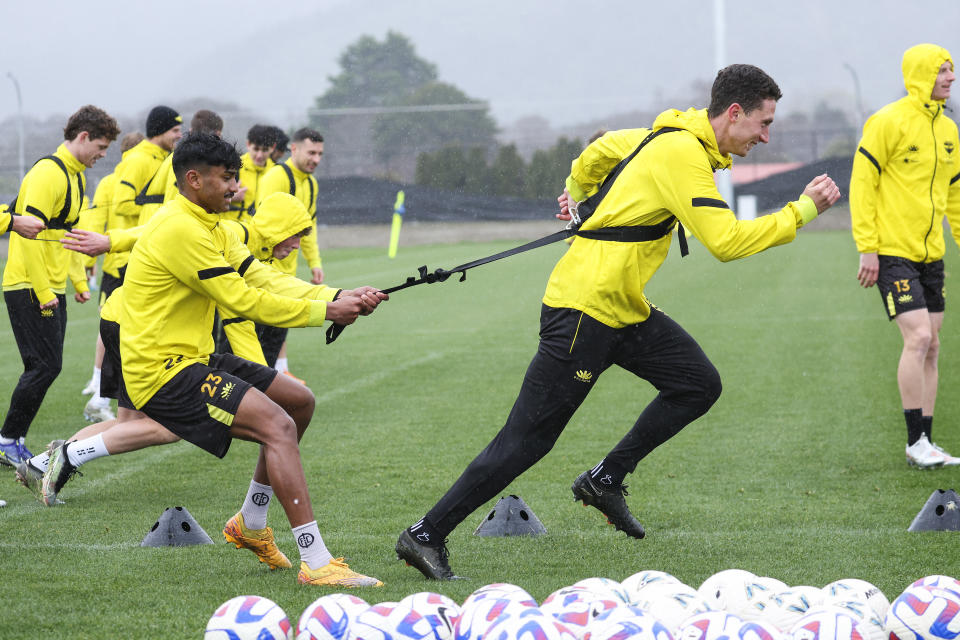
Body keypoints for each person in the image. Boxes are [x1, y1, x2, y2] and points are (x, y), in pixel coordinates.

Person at [395, 64, 842, 580]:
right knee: (526, 441)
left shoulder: (665, 134)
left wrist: (576, 192)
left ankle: (604, 480)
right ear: (734, 113)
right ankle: (425, 534)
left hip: (622, 305)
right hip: (584, 310)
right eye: (763, 123)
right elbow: (727, 242)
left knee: (697, 384)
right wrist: (804, 210)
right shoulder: (683, 154)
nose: (767, 135)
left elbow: (597, 152)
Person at [45, 131, 387, 587]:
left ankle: (249, 523)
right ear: (193, 180)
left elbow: (262, 276)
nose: (236, 188)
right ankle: (318, 562)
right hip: (163, 374)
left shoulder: (216, 225)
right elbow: (242, 299)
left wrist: (338, 294)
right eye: (226, 179)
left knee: (299, 402)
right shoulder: (180, 229)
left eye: (236, 179)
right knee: (278, 426)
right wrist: (326, 310)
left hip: (197, 358)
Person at [850, 43, 960, 470]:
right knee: (917, 338)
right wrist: (867, 247)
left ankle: (926, 443)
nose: (950, 78)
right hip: (892, 252)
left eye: (951, 70)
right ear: (920, 74)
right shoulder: (888, 121)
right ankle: (915, 442)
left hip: (932, 255)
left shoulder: (950, 130)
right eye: (943, 71)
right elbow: (863, 183)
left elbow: (954, 195)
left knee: (933, 346)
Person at [0, 105, 120, 468]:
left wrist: (79, 281)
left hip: (52, 286)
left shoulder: (77, 177)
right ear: (82, 136)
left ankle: (11, 439)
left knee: (47, 366)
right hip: (28, 284)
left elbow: (67, 238)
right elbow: (26, 237)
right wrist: (43, 291)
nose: (102, 155)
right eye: (100, 146)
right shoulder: (46, 174)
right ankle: (7, 440)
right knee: (43, 365)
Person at [79, 131, 145, 422]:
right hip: (131, 260)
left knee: (111, 324)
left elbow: (94, 221)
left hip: (115, 263)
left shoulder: (108, 181)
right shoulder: (141, 178)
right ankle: (101, 393)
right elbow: (115, 212)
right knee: (122, 328)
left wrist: (88, 260)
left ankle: (99, 385)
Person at [255, 128, 326, 374]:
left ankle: (265, 394)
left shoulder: (312, 184)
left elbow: (308, 228)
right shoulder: (277, 176)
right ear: (294, 149)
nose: (316, 159)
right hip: (262, 276)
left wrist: (314, 262)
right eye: (311, 152)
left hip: (286, 277)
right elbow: (263, 224)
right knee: (252, 347)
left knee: (273, 342)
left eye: (320, 154)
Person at [113, 105, 182, 228]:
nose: (180, 135)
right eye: (175, 130)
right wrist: (162, 212)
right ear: (160, 131)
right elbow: (121, 205)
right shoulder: (136, 160)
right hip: (137, 243)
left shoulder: (168, 160)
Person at [224, 124, 278, 222]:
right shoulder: (233, 166)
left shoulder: (276, 172)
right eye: (256, 149)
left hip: (261, 233)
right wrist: (231, 197)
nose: (259, 155)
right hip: (232, 231)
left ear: (273, 147)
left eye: (265, 150)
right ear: (248, 144)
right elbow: (210, 197)